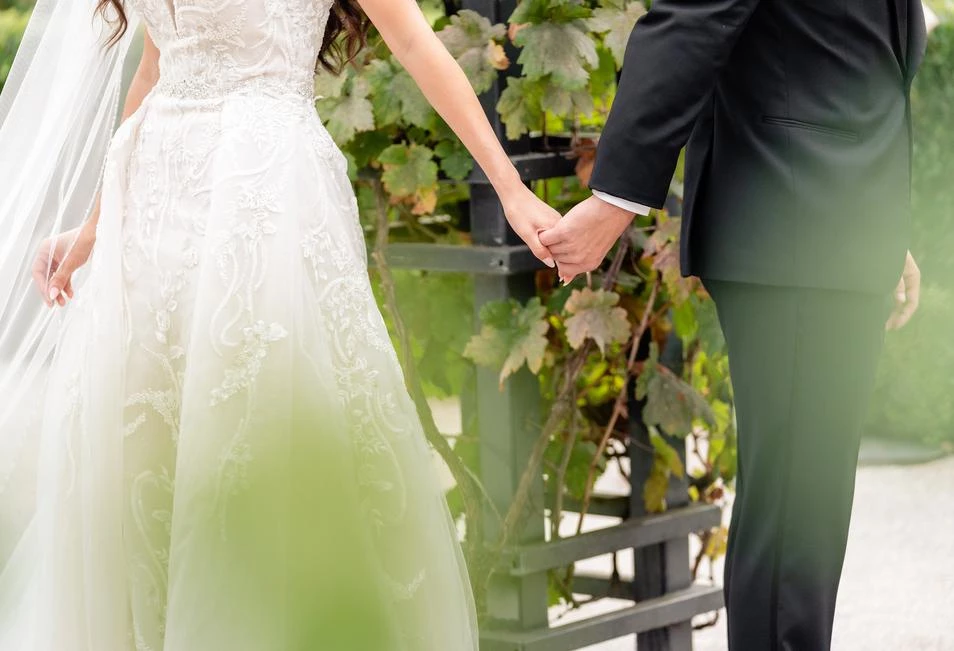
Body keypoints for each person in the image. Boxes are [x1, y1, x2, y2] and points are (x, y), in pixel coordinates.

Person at [0, 0, 561, 648]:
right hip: (153, 210)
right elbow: (157, 68)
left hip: (263, 202)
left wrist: (511, 189)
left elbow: (414, 42)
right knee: (146, 460)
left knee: (251, 442)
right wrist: (94, 227)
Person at [540, 1, 928, 649]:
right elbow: (690, 18)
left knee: (812, 516)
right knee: (791, 524)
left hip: (839, 223)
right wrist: (615, 201)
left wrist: (882, 229)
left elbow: (856, 53)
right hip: (790, 221)